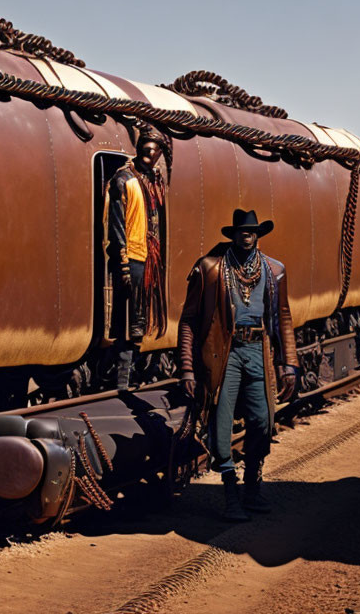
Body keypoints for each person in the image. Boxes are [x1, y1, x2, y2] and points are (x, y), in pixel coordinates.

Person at [178, 209, 299, 521]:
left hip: (258, 350)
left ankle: (252, 485)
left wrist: (290, 363)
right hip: (225, 354)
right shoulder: (210, 268)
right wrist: (188, 367)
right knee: (220, 422)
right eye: (241, 231)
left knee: (262, 420)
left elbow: (283, 316)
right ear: (232, 235)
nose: (247, 235)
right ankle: (230, 491)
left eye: (252, 231)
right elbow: (189, 320)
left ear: (258, 234)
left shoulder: (274, 270)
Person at [105, 125, 171, 390]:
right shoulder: (125, 180)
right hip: (131, 254)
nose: (151, 152)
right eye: (147, 147)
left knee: (139, 319)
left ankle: (130, 375)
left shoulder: (153, 182)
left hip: (148, 256)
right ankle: (122, 378)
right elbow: (117, 223)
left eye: (156, 149)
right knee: (128, 319)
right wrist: (122, 260)